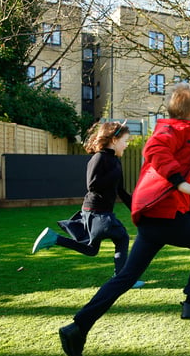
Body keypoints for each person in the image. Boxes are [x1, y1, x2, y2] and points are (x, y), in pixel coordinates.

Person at [58, 82, 190, 356]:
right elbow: (155, 149)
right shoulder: (172, 129)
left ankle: (77, 327)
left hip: (155, 217)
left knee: (126, 277)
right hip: (165, 212)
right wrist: (178, 182)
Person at [31, 121, 144, 289]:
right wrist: (114, 173)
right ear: (114, 140)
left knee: (91, 250)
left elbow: (120, 191)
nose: (127, 145)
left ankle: (54, 238)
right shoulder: (99, 158)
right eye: (125, 141)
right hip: (95, 211)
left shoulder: (115, 162)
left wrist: (136, 211)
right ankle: (122, 278)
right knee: (122, 236)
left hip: (100, 211)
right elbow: (92, 184)